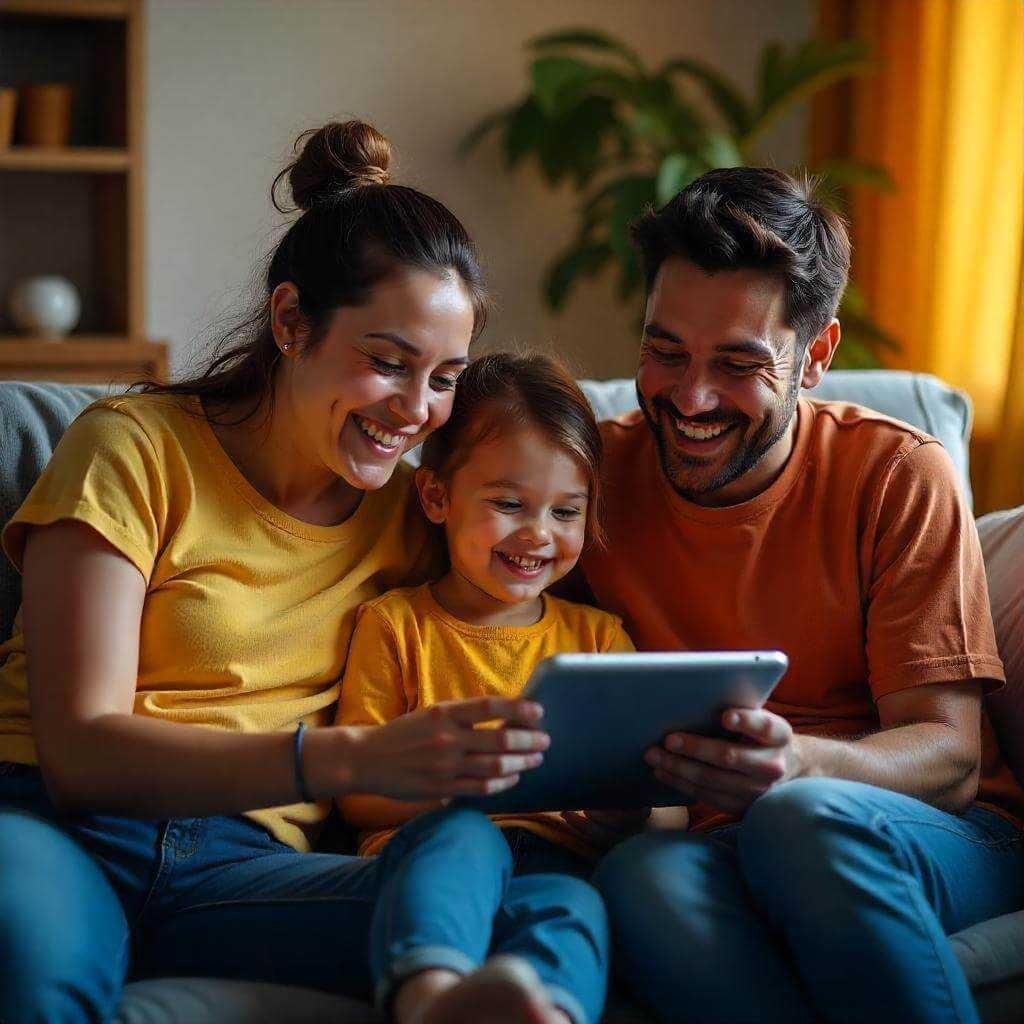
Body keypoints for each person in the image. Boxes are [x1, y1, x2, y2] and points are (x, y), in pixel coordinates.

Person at [0, 120, 550, 1024]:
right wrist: (353, 758)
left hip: (239, 866)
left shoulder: (417, 518)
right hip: (59, 830)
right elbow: (79, 753)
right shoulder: (132, 449)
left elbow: (544, 574)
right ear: (292, 322)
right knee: (33, 973)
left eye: (446, 377)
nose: (417, 411)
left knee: (542, 903)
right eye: (388, 363)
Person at [574, 168, 1024, 1024]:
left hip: (926, 833)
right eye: (665, 351)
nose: (691, 397)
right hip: (712, 843)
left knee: (800, 818)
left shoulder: (897, 473)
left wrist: (799, 766)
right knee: (638, 879)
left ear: (815, 356)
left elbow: (951, 756)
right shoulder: (586, 478)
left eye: (739, 365)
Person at [337, 352, 641, 1024]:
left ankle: (549, 1015)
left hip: (559, 861)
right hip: (432, 849)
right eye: (508, 504)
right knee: (466, 837)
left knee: (575, 907)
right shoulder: (396, 625)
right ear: (437, 496)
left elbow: (660, 800)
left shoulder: (597, 638)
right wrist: (458, 781)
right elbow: (356, 795)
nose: (539, 534)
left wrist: (625, 814)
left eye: (567, 512)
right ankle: (430, 999)